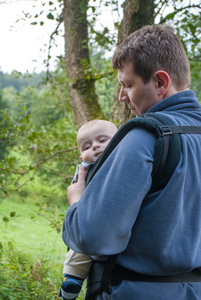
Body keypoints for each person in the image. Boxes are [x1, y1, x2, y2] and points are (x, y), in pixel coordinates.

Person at [62, 24, 201, 300]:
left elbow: (91, 236)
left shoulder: (144, 137)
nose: (122, 96)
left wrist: (77, 201)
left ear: (161, 83)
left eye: (127, 85)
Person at [60, 119, 117, 300]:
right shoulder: (84, 171)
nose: (95, 147)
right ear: (81, 157)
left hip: (112, 223)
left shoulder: (121, 164)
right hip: (89, 220)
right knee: (78, 248)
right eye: (87, 146)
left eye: (102, 140)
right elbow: (77, 190)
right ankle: (72, 279)